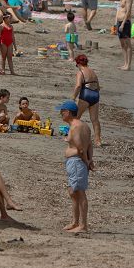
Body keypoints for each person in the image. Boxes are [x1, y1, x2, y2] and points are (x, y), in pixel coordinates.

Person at [60, 100, 93, 233]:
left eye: (62, 112)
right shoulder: (84, 125)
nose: (61, 114)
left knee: (80, 192)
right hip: (77, 162)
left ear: (68, 112)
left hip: (77, 162)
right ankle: (75, 222)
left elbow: (80, 148)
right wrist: (90, 159)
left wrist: (86, 162)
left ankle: (83, 225)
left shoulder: (75, 127)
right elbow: (89, 145)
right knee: (73, 192)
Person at [72, 54, 102, 146]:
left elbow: (78, 86)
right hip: (95, 95)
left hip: (86, 95)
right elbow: (98, 87)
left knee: (76, 118)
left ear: (78, 64)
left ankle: (73, 138)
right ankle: (98, 141)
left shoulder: (80, 72)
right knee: (95, 120)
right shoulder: (93, 72)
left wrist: (73, 97)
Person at [108, 0, 133, 70]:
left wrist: (122, 24)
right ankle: (125, 63)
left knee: (128, 43)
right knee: (122, 44)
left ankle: (128, 65)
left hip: (125, 22)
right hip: (119, 22)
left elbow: (128, 11)